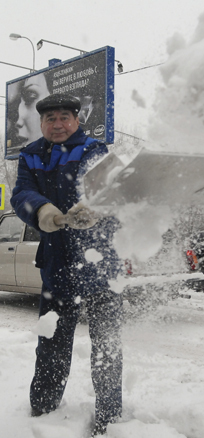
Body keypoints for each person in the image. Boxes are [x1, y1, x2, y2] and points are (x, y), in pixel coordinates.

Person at [10, 93, 122, 437]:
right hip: (57, 263)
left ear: (76, 120)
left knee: (107, 342)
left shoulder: (95, 151)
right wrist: (43, 210)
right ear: (41, 123)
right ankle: (43, 406)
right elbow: (21, 194)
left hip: (100, 260)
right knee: (52, 340)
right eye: (50, 119)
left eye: (63, 117)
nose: (57, 124)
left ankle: (110, 415)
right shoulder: (31, 155)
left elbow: (117, 190)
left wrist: (95, 208)